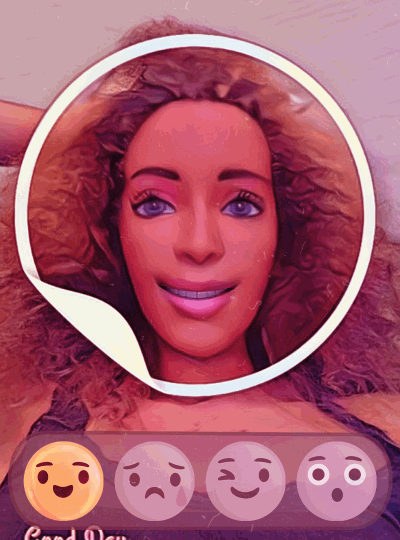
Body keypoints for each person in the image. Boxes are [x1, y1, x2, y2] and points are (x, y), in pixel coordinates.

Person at [1, 17, 400, 539]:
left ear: (289, 231)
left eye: (241, 204)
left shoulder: (382, 424)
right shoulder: (20, 416)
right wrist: (83, 138)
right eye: (154, 203)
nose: (199, 244)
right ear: (107, 226)